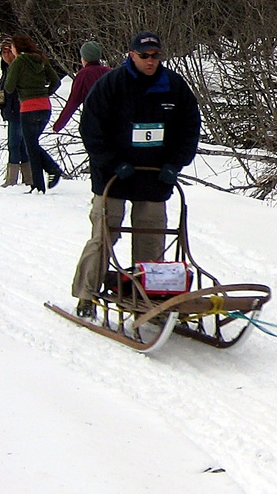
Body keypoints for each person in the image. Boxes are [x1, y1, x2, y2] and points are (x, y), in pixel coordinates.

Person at [71, 31, 201, 319]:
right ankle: (86, 294)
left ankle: (149, 297)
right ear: (132, 55)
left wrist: (175, 163)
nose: (150, 61)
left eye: (155, 56)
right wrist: (112, 162)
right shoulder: (111, 84)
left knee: (152, 237)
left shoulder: (175, 87)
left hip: (155, 175)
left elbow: (189, 128)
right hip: (113, 176)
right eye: (144, 56)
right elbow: (91, 129)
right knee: (104, 235)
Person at [3, 33, 64, 193]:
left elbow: (9, 87)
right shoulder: (41, 59)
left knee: (31, 146)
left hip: (28, 108)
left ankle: (46, 177)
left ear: (17, 48)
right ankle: (43, 179)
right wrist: (44, 93)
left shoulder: (19, 62)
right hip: (45, 107)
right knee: (32, 145)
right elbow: (56, 81)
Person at [0, 37, 32, 188]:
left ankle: (12, 179)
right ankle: (28, 178)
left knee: (14, 143)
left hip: (19, 110)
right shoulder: (6, 70)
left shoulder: (18, 68)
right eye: (3, 52)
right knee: (21, 145)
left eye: (8, 51)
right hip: (11, 111)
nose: (5, 55)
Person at [52, 40, 111, 133]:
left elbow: (73, 102)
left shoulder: (84, 75)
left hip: (94, 120)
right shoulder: (110, 72)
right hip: (113, 119)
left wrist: (58, 125)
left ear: (84, 58)